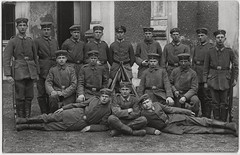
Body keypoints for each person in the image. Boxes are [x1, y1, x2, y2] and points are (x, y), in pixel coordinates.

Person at [15, 88, 112, 132]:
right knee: (49, 117)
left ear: (109, 98)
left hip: (80, 123)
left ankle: (25, 126)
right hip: (74, 113)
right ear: (100, 96)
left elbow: (103, 126)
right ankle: (24, 120)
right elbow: (78, 104)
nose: (104, 98)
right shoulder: (94, 99)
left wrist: (90, 128)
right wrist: (63, 108)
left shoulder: (108, 110)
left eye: (106, 97)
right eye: (102, 96)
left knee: (49, 127)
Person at [138, 94, 237, 136]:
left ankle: (228, 125)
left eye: (147, 101)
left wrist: (186, 111)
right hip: (170, 127)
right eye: (144, 103)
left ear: (151, 101)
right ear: (142, 106)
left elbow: (171, 109)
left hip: (176, 118)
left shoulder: (157, 104)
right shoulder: (143, 114)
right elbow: (144, 126)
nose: (146, 104)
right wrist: (153, 131)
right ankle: (228, 132)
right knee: (202, 130)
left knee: (202, 121)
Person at [3, 18, 39, 118]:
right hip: (18, 71)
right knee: (20, 95)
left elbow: (35, 57)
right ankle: (20, 116)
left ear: (27, 27)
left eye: (24, 25)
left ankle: (27, 115)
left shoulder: (30, 41)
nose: (22, 27)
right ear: (17, 27)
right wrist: (8, 74)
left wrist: (37, 72)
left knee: (29, 95)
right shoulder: (13, 41)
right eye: (20, 25)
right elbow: (6, 58)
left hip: (30, 71)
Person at [203, 30, 238, 122]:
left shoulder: (229, 51)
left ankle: (223, 120)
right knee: (214, 102)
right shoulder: (210, 51)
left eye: (222, 37)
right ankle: (216, 120)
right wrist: (205, 81)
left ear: (225, 39)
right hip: (213, 78)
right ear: (215, 39)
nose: (220, 39)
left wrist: (235, 79)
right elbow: (205, 67)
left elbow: (236, 66)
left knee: (224, 102)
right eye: (218, 37)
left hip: (225, 79)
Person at [34, 21, 59, 114]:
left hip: (53, 69)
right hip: (42, 69)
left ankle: (51, 112)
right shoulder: (37, 41)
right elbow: (34, 57)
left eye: (48, 30)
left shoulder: (54, 40)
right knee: (41, 92)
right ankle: (44, 112)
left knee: (52, 91)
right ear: (41, 31)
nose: (46, 31)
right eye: (44, 30)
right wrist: (37, 71)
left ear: (51, 31)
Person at [192, 28, 213, 118]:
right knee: (199, 95)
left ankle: (206, 115)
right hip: (197, 74)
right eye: (199, 36)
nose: (200, 37)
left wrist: (208, 77)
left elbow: (211, 63)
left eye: (202, 35)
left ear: (206, 36)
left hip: (205, 75)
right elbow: (193, 61)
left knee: (207, 97)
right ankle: (199, 114)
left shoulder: (210, 47)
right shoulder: (196, 47)